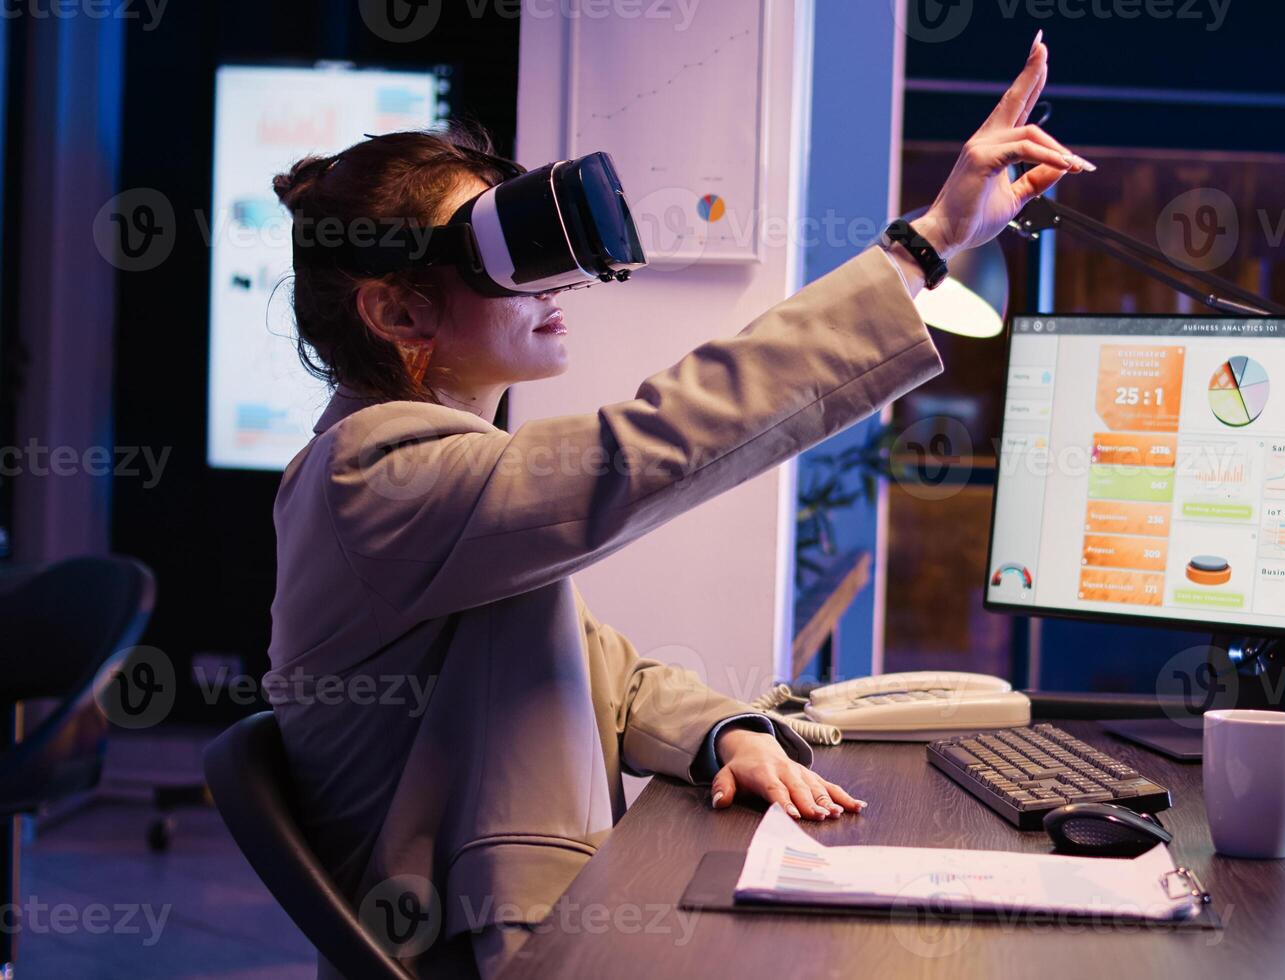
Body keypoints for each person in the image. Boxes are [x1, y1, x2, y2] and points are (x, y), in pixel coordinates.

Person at [264, 33, 1087, 978]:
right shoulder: (376, 475)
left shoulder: (444, 483)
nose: (558, 282)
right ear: (399, 314)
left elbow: (593, 663)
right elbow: (651, 447)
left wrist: (719, 731)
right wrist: (923, 244)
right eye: (505, 254)